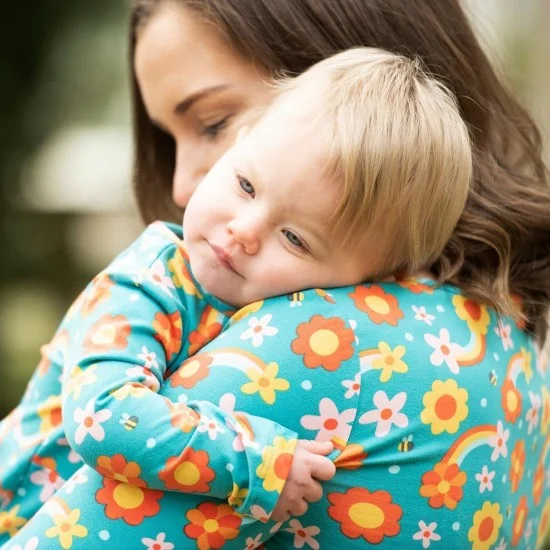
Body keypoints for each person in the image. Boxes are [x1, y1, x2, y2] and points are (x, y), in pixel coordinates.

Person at [2, 0, 550, 548]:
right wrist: (251, 462)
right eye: (244, 183)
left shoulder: (326, 341)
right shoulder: (507, 337)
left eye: (213, 122)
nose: (179, 188)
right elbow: (101, 412)